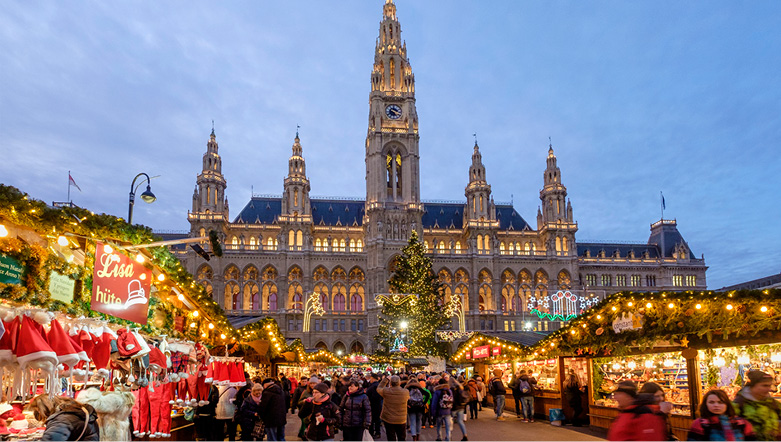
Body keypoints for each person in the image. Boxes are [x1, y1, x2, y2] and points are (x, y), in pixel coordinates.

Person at [688, 389, 755, 441]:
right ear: (705, 404)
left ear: (727, 404)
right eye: (711, 402)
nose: (716, 405)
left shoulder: (741, 423)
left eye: (720, 402)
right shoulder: (700, 424)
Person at [733, 370, 781, 441]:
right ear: (753, 385)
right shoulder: (739, 404)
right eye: (764, 385)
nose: (768, 389)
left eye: (769, 385)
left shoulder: (773, 403)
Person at [28, 394, 100, 441]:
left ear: (44, 408)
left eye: (38, 410)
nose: (39, 413)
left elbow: (52, 439)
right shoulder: (76, 411)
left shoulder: (61, 419)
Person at [377, 375, 410, 441]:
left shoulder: (386, 391)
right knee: (401, 437)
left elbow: (379, 388)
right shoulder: (405, 392)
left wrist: (385, 379)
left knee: (391, 437)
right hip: (401, 419)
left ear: (390, 383)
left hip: (388, 418)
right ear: (399, 382)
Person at [406, 377, 432, 441]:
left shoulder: (408, 389)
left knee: (412, 422)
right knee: (418, 421)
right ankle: (418, 435)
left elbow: (404, 397)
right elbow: (428, 394)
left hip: (411, 407)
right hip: (420, 407)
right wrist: (423, 403)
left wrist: (407, 404)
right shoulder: (420, 389)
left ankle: (414, 437)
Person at [366, 373, 384, 439]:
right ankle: (376, 432)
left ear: (373, 378)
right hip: (376, 405)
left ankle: (375, 432)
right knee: (376, 419)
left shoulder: (374, 386)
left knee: (374, 419)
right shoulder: (377, 385)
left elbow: (375, 397)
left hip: (374, 405)